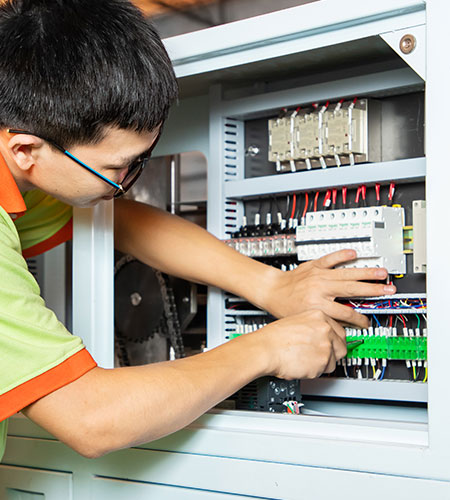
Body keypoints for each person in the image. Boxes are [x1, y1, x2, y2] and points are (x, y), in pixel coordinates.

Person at [0, 0, 395, 460]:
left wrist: (271, 285)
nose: (126, 184)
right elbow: (90, 417)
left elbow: (122, 221)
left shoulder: (29, 169)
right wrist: (264, 349)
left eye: (141, 161)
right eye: (118, 168)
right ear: (27, 149)